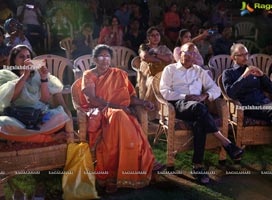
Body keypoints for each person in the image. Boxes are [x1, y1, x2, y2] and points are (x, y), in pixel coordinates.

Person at [160, 42, 244, 184]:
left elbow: (215, 90)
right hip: (178, 105)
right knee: (199, 109)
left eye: (193, 53)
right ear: (180, 54)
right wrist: (185, 97)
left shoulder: (199, 71)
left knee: (200, 121)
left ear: (196, 56)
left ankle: (197, 166)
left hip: (198, 108)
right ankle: (225, 141)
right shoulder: (170, 69)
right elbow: (164, 91)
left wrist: (204, 96)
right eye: (186, 52)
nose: (189, 56)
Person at [81, 44, 161, 193]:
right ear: (94, 59)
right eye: (101, 56)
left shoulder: (119, 74)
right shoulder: (88, 75)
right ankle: (141, 163)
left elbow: (129, 98)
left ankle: (116, 177)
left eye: (107, 56)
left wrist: (144, 102)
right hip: (101, 111)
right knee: (119, 115)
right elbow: (92, 99)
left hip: (121, 113)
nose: (105, 59)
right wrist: (116, 107)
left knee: (120, 117)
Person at [222, 43, 272, 174]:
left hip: (265, 105)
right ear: (233, 58)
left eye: (246, 54)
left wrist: (262, 75)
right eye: (241, 55)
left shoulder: (254, 70)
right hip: (248, 108)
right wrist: (244, 76)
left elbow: (271, 90)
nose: (245, 57)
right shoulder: (228, 73)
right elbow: (230, 93)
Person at [0, 45, 73, 142]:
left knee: (61, 116)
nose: (25, 59)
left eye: (28, 56)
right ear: (14, 60)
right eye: (21, 57)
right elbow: (11, 98)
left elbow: (44, 99)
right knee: (2, 124)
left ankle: (28, 136)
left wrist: (43, 78)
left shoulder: (37, 75)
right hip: (17, 118)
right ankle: (46, 138)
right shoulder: (6, 75)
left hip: (38, 118)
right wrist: (25, 75)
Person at [138, 26, 173, 119]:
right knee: (154, 81)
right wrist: (160, 60)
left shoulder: (163, 48)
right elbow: (145, 57)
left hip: (162, 73)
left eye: (157, 35)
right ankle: (150, 114)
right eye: (152, 35)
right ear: (148, 37)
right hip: (147, 75)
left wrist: (156, 55)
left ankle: (164, 113)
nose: (155, 37)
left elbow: (169, 58)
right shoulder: (144, 47)